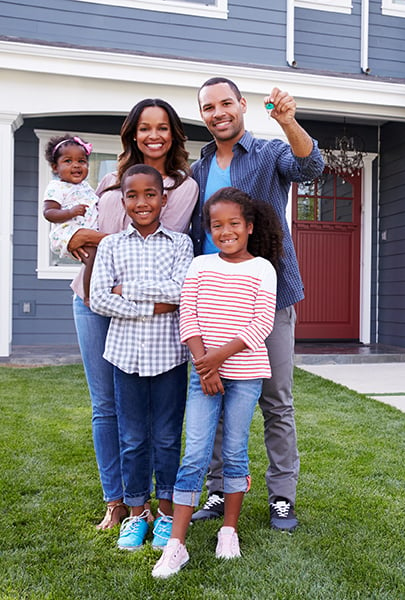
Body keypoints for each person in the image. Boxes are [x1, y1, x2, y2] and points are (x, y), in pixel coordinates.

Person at [189, 78, 325, 530]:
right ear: (203, 114)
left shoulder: (268, 152)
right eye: (208, 107)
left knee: (276, 402)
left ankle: (281, 496)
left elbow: (311, 166)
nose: (218, 112)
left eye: (226, 102)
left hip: (268, 295)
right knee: (215, 394)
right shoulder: (199, 168)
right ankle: (216, 488)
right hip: (212, 301)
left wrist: (288, 121)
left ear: (242, 105)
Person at [67, 98, 199, 531]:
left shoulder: (183, 186)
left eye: (163, 127)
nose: (153, 135)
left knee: (159, 425)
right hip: (90, 298)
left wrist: (97, 243)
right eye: (144, 128)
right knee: (106, 407)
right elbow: (101, 237)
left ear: (173, 134)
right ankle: (119, 502)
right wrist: (80, 236)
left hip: (150, 317)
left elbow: (160, 234)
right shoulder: (108, 180)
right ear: (133, 133)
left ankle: (153, 507)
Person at [152, 187, 281, 578]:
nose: (225, 231)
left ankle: (229, 530)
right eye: (216, 225)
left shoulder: (262, 269)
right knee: (195, 453)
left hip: (245, 374)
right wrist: (204, 365)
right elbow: (187, 317)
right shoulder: (200, 266)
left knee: (236, 451)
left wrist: (216, 361)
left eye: (234, 224)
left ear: (249, 226)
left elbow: (262, 324)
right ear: (208, 229)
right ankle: (177, 544)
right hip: (203, 372)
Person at [90, 164, 194, 551]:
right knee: (132, 438)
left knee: (167, 437)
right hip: (125, 357)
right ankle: (137, 514)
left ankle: (166, 514)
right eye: (132, 195)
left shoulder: (180, 244)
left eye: (150, 194)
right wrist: (152, 306)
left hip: (169, 357)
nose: (142, 202)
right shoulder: (112, 245)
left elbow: (180, 291)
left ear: (164, 199)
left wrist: (127, 290)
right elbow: (100, 297)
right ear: (122, 201)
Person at [42, 134, 98, 305]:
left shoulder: (86, 187)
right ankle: (88, 295)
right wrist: (70, 212)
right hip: (66, 232)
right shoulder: (56, 187)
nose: (76, 165)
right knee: (93, 257)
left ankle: (98, 290)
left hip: (83, 230)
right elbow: (49, 212)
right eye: (68, 161)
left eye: (81, 161)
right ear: (54, 167)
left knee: (97, 258)